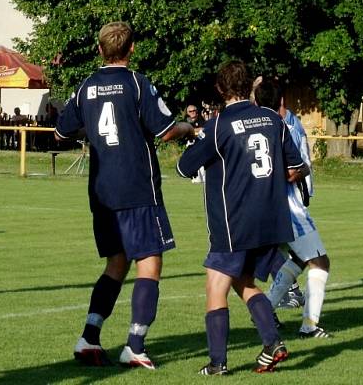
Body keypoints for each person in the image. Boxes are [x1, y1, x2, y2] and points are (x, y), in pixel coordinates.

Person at [55, 21, 193, 369]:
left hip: (102, 192)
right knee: (149, 263)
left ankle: (89, 337)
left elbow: (61, 131)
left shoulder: (86, 86)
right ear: (131, 49)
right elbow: (165, 131)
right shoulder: (137, 83)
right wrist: (191, 127)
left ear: (100, 50)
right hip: (137, 187)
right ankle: (134, 344)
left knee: (116, 264)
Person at [177, 60, 308, 375]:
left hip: (234, 222)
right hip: (271, 220)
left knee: (215, 287)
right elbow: (295, 166)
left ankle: (217, 363)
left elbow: (184, 168)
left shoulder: (218, 125)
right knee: (244, 282)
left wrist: (196, 136)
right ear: (249, 86)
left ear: (220, 89)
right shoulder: (273, 120)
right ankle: (272, 342)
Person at [254, 79, 331, 338]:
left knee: (298, 259)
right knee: (320, 262)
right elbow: (294, 170)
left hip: (261, 209)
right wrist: (304, 170)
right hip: (289, 208)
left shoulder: (250, 126)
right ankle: (310, 325)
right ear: (282, 101)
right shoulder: (281, 126)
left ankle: (263, 311)